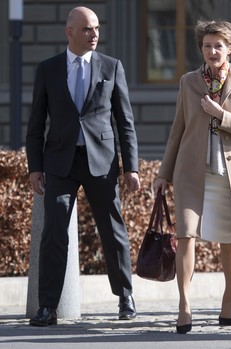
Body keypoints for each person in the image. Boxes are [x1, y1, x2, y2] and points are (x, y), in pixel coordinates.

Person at [153, 19, 231, 334]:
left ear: (229, 48)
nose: (212, 51)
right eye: (207, 46)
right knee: (185, 236)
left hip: (229, 174)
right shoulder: (188, 82)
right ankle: (184, 305)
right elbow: (176, 131)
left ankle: (229, 296)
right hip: (191, 172)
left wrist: (220, 114)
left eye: (218, 45)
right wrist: (163, 173)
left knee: (227, 239)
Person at [26, 6, 141, 326]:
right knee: (54, 233)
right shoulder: (47, 69)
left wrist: (130, 167)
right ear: (70, 32)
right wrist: (34, 167)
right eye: (88, 29)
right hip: (60, 163)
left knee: (112, 230)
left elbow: (125, 122)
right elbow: (35, 124)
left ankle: (125, 296)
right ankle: (47, 306)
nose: (95, 34)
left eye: (97, 29)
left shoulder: (111, 66)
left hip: (101, 162)